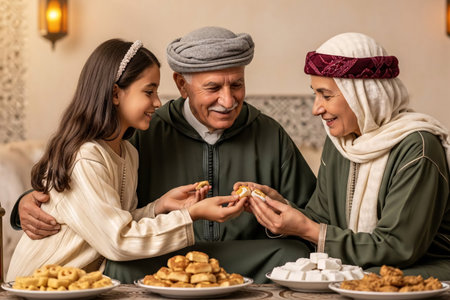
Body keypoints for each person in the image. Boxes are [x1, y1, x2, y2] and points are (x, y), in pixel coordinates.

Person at [10, 26, 317, 283]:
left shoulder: (269, 133)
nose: (228, 99)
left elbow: (312, 218)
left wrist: (279, 209)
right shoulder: (140, 131)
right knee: (117, 267)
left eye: (236, 84)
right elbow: (82, 195)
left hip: (243, 257)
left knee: (294, 255)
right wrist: (25, 202)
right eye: (213, 87)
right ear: (182, 85)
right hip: (157, 260)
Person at [240, 32, 450, 280]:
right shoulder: (341, 143)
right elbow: (322, 220)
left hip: (422, 271)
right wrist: (280, 207)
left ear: (364, 95)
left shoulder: (417, 148)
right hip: (367, 267)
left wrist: (308, 228)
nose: (316, 108)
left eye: (326, 95)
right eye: (315, 94)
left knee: (355, 278)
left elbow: (397, 247)